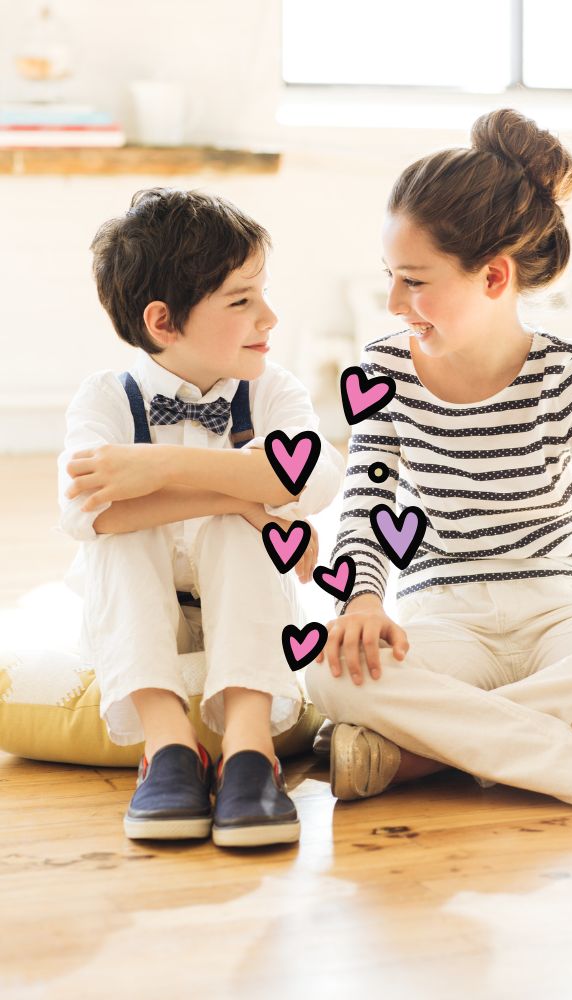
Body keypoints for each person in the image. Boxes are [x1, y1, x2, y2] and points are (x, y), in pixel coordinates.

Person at [305, 109, 572, 822]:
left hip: (565, 609)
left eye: (414, 280)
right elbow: (367, 508)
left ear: (494, 276)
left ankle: (426, 753)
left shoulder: (571, 374)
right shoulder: (381, 367)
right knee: (323, 669)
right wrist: (362, 600)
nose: (391, 303)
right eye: (390, 276)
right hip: (448, 617)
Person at [59, 188, 344, 846]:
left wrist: (159, 470)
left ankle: (250, 751)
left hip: (245, 612)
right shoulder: (106, 399)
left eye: (262, 292)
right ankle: (168, 747)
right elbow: (88, 515)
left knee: (232, 533)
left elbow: (313, 477)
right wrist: (247, 500)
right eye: (242, 301)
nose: (268, 316)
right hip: (137, 614)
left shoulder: (273, 391)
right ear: (164, 323)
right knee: (121, 536)